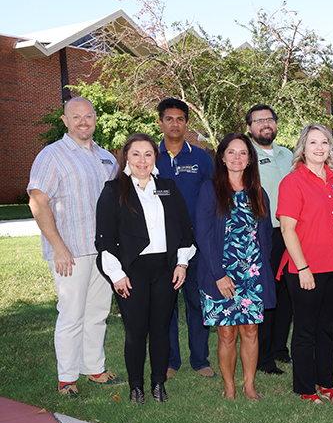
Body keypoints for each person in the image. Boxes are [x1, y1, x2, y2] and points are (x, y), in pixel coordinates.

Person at [27, 96, 125, 397]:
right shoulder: (52, 155)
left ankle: (94, 368)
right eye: (77, 116)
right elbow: (38, 200)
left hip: (103, 250)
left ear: (95, 119)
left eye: (89, 116)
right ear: (65, 121)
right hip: (70, 251)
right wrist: (58, 246)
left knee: (97, 312)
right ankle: (67, 378)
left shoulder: (106, 156)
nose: (84, 121)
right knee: (71, 314)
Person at [96, 133, 196, 403]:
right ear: (126, 157)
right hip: (131, 271)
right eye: (136, 154)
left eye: (148, 154)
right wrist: (116, 275)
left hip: (165, 268)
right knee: (136, 331)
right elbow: (104, 239)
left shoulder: (168, 187)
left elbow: (186, 232)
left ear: (156, 157)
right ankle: (136, 387)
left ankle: (159, 384)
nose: (142, 160)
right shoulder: (113, 190)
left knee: (161, 329)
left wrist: (182, 263)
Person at [195, 133, 275, 400]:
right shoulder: (210, 190)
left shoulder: (259, 193)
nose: (237, 157)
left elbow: (265, 236)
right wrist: (219, 274)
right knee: (227, 333)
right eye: (232, 152)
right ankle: (229, 387)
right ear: (222, 157)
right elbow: (203, 235)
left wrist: (261, 270)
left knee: (251, 330)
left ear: (250, 159)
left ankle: (249, 386)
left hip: (251, 275)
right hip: (220, 274)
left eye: (243, 153)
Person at [276, 124, 333, 403]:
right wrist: (303, 268)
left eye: (325, 143)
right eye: (313, 143)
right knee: (306, 330)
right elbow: (287, 229)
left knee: (328, 330)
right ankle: (306, 388)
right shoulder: (293, 182)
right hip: (305, 268)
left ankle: (327, 385)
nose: (320, 148)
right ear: (302, 148)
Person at [156, 98, 216, 380]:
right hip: (161, 246)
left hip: (197, 245)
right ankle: (170, 360)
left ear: (187, 123)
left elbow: (216, 198)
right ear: (160, 122)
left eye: (180, 119)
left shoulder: (201, 158)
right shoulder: (149, 157)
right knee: (167, 305)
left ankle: (200, 359)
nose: (175, 124)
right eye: (169, 118)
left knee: (197, 303)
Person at [246, 104, 294, 375]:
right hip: (264, 233)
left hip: (292, 233)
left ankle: (280, 349)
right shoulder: (245, 155)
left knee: (288, 295)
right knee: (266, 294)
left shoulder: (288, 155)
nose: (266, 124)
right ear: (250, 127)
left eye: (270, 119)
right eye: (259, 120)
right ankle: (263, 357)